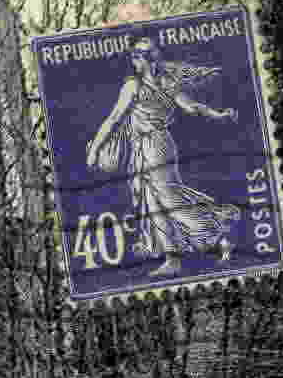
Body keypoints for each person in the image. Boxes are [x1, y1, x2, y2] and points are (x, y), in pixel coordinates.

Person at [85, 37, 240, 278]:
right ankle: (173, 258)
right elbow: (191, 107)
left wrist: (95, 149)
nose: (133, 61)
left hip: (153, 146)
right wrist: (217, 115)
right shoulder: (166, 82)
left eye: (136, 57)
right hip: (155, 145)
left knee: (168, 199)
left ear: (143, 60)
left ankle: (217, 233)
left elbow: (114, 119)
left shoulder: (133, 86)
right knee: (153, 202)